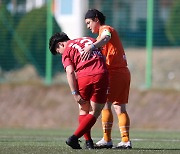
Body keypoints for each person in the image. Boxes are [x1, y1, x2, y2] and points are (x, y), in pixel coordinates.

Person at [49, 32, 109, 149]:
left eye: (57, 51)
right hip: (100, 73)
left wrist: (74, 93)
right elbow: (103, 54)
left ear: (60, 44)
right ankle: (78, 139)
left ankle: (85, 141)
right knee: (95, 112)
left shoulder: (67, 51)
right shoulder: (90, 39)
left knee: (83, 109)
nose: (59, 53)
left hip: (83, 77)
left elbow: (70, 72)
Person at [82, 9, 132, 149]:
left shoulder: (105, 29)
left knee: (105, 105)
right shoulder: (99, 37)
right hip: (123, 72)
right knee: (119, 107)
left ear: (96, 19)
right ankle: (125, 141)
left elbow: (106, 36)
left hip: (114, 73)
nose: (88, 26)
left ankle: (107, 139)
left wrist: (92, 46)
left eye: (89, 22)